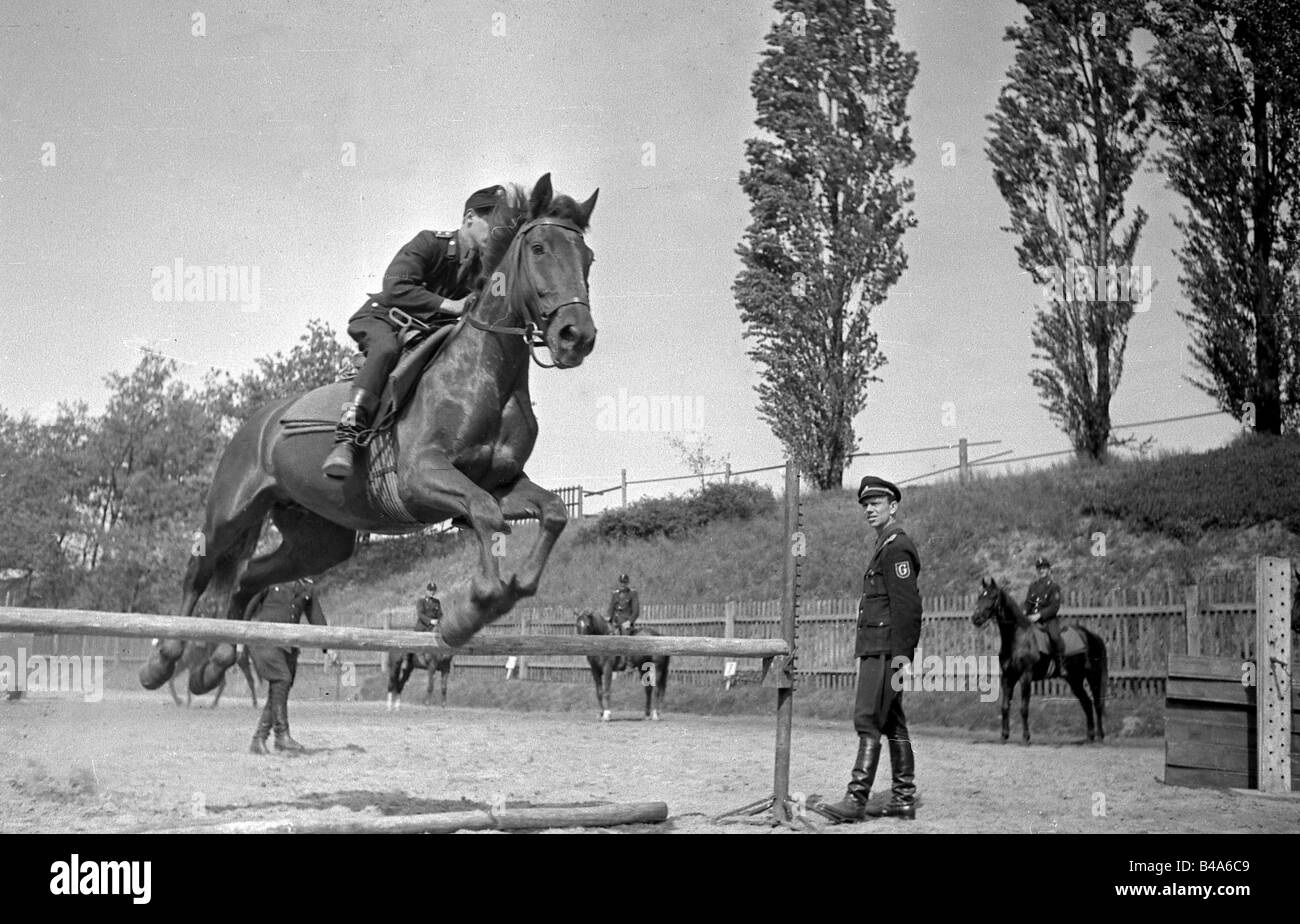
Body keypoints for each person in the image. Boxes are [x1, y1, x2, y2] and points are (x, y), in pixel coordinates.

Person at [322, 184, 505, 479]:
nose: (496, 233)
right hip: (384, 319)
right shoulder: (430, 243)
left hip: (424, 334)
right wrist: (451, 305)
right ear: (469, 218)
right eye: (492, 223)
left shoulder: (486, 270)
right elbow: (394, 287)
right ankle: (347, 436)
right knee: (386, 350)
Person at [817, 476, 922, 823]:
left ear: (893, 506)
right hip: (880, 647)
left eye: (875, 503)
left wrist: (902, 655)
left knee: (867, 718)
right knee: (892, 722)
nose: (868, 509)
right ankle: (903, 798)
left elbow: (907, 608)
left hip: (885, 649)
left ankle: (856, 799)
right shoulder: (885, 545)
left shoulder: (896, 547)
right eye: (865, 504)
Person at [246, 578, 327, 754]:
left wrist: (328, 647)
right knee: (282, 679)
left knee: (279, 690)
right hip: (264, 641)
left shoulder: (307, 587)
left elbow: (317, 618)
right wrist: (238, 639)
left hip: (288, 647)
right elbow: (247, 606)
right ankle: (281, 736)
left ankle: (259, 739)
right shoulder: (271, 578)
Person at [1024, 555, 1066, 677]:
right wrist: (1024, 613)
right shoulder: (1033, 586)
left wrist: (1039, 615)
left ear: (1048, 570)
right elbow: (1028, 603)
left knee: (1054, 637)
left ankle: (1060, 666)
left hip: (1048, 620)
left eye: (1044, 568)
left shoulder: (1054, 587)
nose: (1041, 570)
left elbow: (1054, 607)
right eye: (1039, 568)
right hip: (1032, 619)